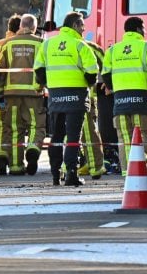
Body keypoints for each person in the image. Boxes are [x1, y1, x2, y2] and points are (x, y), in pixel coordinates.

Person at [34, 11, 99, 186]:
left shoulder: (48, 44)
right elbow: (92, 71)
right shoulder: (80, 46)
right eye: (82, 26)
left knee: (56, 136)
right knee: (73, 137)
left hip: (55, 95)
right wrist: (87, 83)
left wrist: (49, 84)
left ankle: (55, 174)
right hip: (77, 95)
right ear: (75, 25)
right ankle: (71, 173)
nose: (84, 29)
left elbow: (38, 70)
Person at [101, 16, 147, 176]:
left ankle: (128, 172)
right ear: (139, 29)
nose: (145, 32)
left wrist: (115, 88)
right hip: (141, 100)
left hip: (120, 101)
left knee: (125, 138)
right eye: (144, 28)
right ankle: (140, 169)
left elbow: (105, 75)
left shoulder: (112, 50)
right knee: (143, 135)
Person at [0, 13, 44, 176]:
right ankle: (33, 148)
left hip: (11, 94)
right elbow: (44, 69)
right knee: (36, 125)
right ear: (34, 28)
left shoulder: (8, 44)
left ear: (21, 26)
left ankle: (15, 166)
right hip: (33, 94)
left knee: (14, 129)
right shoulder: (40, 43)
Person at [0, 14, 21, 156]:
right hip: (13, 94)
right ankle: (15, 163)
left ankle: (0, 156)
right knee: (14, 128)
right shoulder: (18, 45)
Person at [78, 38, 107, 180]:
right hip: (87, 97)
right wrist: (108, 85)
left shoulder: (52, 46)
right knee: (89, 132)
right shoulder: (91, 47)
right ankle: (95, 166)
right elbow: (106, 67)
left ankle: (66, 168)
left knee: (67, 133)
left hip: (59, 97)